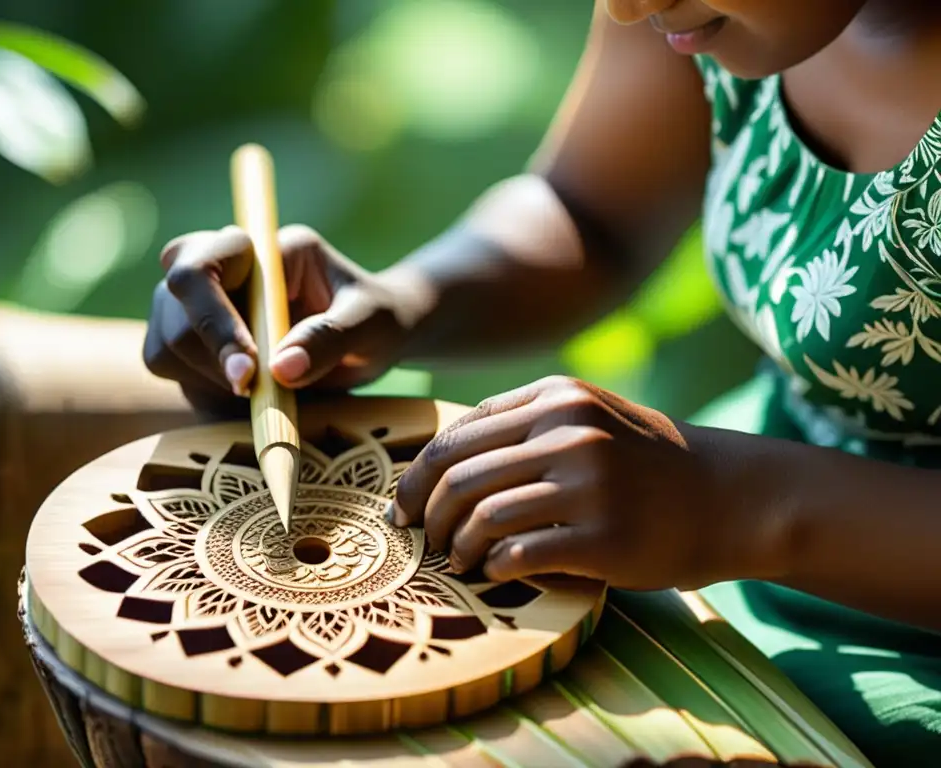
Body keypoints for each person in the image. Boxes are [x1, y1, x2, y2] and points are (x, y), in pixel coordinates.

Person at [142, 1, 941, 761]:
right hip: (731, 516)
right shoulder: (705, 14)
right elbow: (591, 210)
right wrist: (402, 301)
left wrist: (745, 504)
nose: (627, 10)